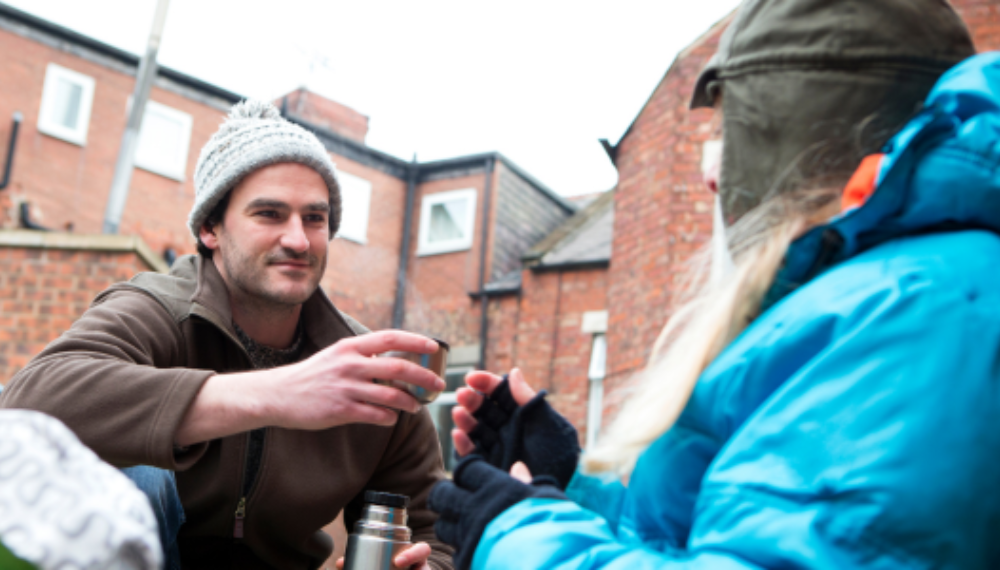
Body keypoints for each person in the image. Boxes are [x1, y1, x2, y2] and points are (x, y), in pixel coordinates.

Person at [428, 1, 1000, 568]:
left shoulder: (921, 307)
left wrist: (514, 535)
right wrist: (568, 487)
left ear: (799, 142)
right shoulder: (902, 292)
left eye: (732, 139)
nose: (710, 177)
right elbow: (707, 541)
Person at [0, 100, 454, 570]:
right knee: (138, 469)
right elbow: (27, 403)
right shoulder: (159, 309)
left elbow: (440, 535)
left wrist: (425, 566)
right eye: (270, 214)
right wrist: (274, 394)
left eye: (314, 219)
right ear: (209, 228)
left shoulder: (363, 370)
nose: (298, 240)